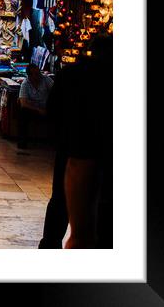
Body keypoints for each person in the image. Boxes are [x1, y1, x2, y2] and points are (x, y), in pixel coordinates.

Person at [63, 34, 113, 248]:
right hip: (86, 153)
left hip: (79, 151)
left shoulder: (75, 74)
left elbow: (55, 109)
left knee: (82, 230)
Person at [17, 62, 54, 149]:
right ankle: (22, 141)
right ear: (30, 76)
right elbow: (23, 103)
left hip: (47, 108)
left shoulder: (46, 80)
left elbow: (55, 92)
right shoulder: (25, 84)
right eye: (36, 74)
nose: (39, 76)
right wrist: (38, 110)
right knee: (23, 112)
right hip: (34, 110)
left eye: (39, 73)